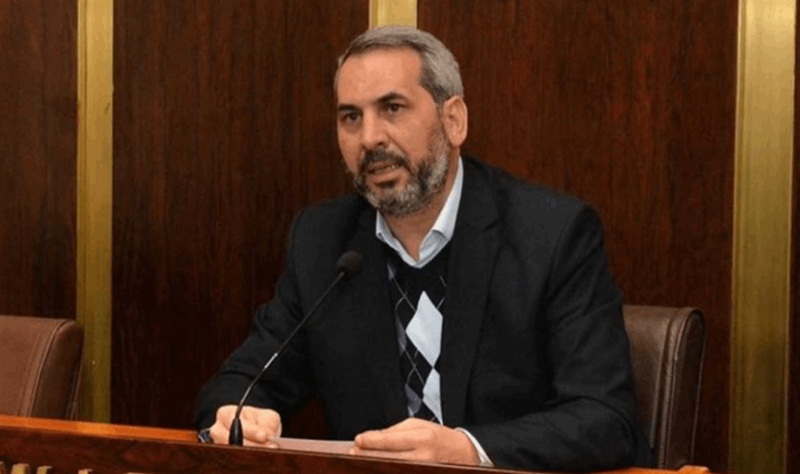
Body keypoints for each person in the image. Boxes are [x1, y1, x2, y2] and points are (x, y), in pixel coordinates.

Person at [194, 25, 653, 471]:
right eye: (351, 117)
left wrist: (466, 450)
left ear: (454, 120)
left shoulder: (552, 234)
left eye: (392, 108)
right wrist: (239, 414)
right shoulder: (322, 241)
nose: (370, 138)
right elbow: (240, 383)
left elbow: (603, 418)